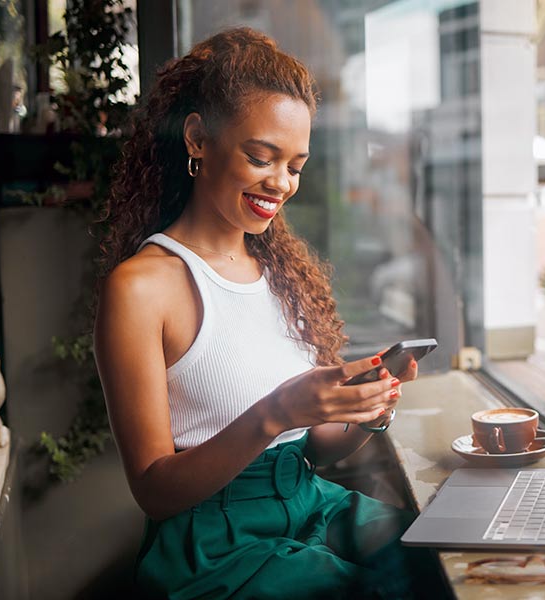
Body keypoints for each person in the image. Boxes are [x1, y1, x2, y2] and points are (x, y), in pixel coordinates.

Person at [93, 28, 429, 599]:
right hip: (214, 544)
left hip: (309, 502)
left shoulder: (277, 272)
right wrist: (275, 411)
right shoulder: (141, 288)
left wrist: (367, 411)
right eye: (260, 157)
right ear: (198, 138)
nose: (281, 183)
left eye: (295, 165)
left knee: (440, 562)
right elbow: (154, 491)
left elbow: (315, 446)